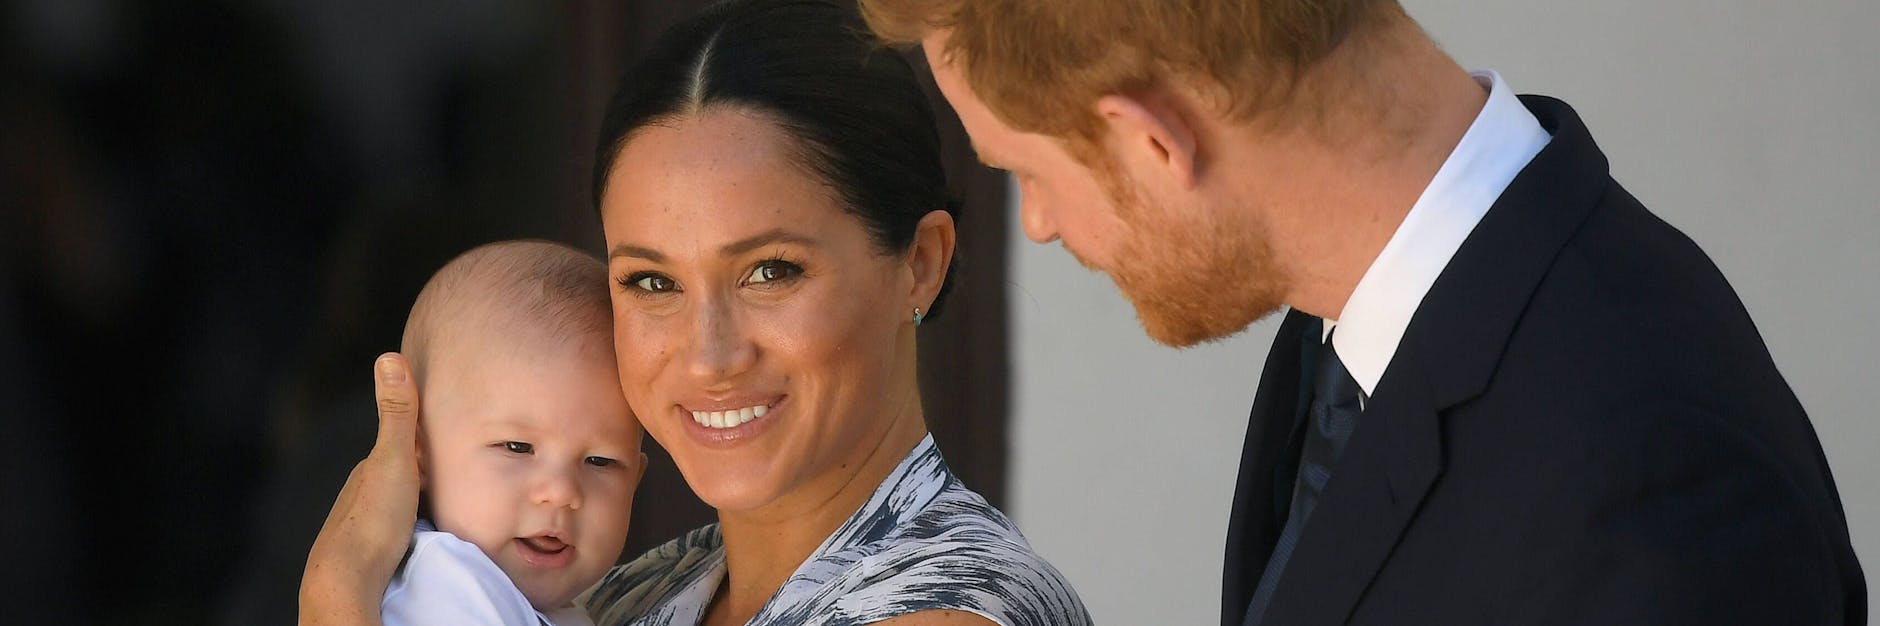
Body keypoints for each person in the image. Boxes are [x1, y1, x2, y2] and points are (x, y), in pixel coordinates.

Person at [860, 0, 1865, 624]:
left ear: (1149, 142)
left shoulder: (1649, 497)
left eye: (1025, 172)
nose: (1036, 225)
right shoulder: (1358, 324)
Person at [302, 1, 1092, 625]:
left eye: (770, 271)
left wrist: (338, 596)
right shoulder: (628, 597)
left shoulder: (949, 607)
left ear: (919, 264)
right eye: (652, 283)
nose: (709, 356)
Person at [382, 240, 645, 625]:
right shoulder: (448, 587)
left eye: (600, 461)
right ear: (419, 452)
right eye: (518, 447)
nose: (561, 492)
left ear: (635, 480)